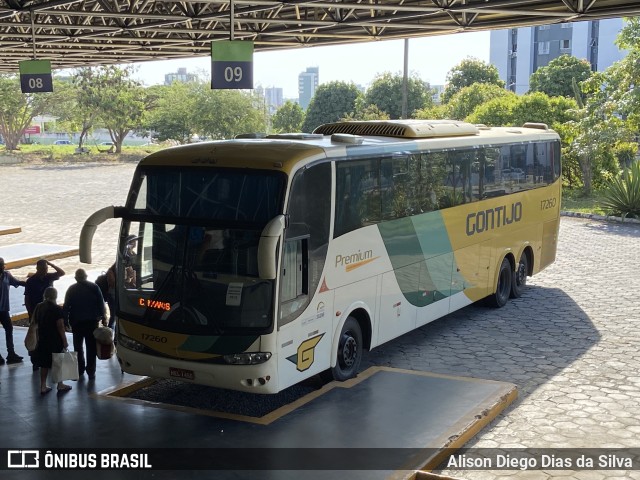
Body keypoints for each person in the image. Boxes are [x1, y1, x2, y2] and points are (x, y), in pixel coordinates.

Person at [63, 269, 106, 380]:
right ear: (86, 276)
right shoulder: (94, 287)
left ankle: (80, 369)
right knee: (91, 347)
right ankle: (91, 371)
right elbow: (101, 303)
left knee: (78, 347)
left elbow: (66, 306)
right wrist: (104, 317)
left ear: (76, 278)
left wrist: (65, 321)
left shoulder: (71, 289)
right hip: (92, 323)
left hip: (77, 323)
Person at [24, 259, 65, 370]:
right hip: (37, 312)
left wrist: (51, 264)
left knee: (49, 336)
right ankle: (35, 361)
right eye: (43, 269)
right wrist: (30, 313)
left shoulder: (48, 277)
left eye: (46, 268)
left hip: (50, 312)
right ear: (37, 269)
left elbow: (62, 273)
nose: (45, 271)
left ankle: (48, 360)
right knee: (36, 337)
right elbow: (27, 299)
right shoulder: (31, 281)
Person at [33, 287, 71, 394]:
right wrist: (64, 340)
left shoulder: (39, 307)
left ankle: (43, 386)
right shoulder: (56, 309)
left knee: (44, 364)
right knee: (58, 361)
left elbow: (35, 322)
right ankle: (60, 384)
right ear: (55, 295)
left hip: (42, 338)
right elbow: (60, 326)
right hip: (55, 340)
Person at [0, 257, 27, 365]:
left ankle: (11, 353)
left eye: (3, 265)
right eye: (2, 265)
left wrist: (30, 283)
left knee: (9, 329)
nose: (3, 266)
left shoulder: (7, 275)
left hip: (4, 309)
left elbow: (17, 282)